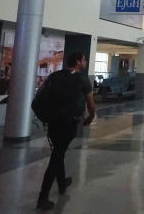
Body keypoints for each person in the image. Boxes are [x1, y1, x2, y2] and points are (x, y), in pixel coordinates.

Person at [36, 53, 96, 211]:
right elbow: (91, 104)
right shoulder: (82, 79)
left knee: (58, 151)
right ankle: (43, 197)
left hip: (53, 121)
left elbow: (39, 95)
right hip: (68, 123)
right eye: (84, 59)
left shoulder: (54, 76)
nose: (85, 61)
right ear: (78, 62)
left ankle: (62, 183)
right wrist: (91, 117)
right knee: (57, 156)